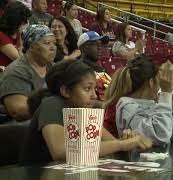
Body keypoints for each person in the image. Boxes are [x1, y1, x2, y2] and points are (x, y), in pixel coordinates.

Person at [20, 60, 152, 163]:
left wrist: (126, 140)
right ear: (65, 91)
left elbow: (112, 143)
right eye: (87, 89)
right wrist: (121, 144)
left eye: (94, 89)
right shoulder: (52, 104)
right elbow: (61, 153)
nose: (94, 96)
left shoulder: (83, 109)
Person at [113, 56, 173, 146]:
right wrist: (166, 92)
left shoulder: (152, 104)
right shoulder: (128, 108)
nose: (160, 86)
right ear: (151, 82)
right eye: (159, 81)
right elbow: (160, 136)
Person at [0, 25, 56, 122]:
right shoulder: (16, 72)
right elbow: (18, 111)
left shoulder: (53, 67)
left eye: (54, 43)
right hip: (20, 129)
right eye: (47, 43)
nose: (53, 48)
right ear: (32, 46)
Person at [77, 31, 111, 100]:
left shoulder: (101, 69)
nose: (99, 48)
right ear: (84, 48)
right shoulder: (79, 69)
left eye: (100, 44)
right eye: (95, 44)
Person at [0, 1, 31, 66]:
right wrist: (23, 34)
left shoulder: (17, 33)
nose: (26, 23)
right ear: (16, 21)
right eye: (23, 20)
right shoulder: (1, 35)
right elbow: (20, 60)